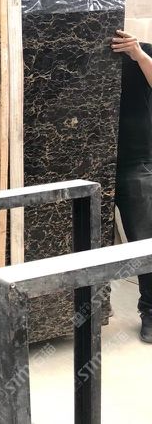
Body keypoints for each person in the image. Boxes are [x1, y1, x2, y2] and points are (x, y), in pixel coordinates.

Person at [111, 29, 152, 343]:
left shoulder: (141, 50)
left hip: (134, 161)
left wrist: (138, 55)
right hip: (84, 160)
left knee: (145, 239)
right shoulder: (71, 49)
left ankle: (150, 311)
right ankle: (95, 307)